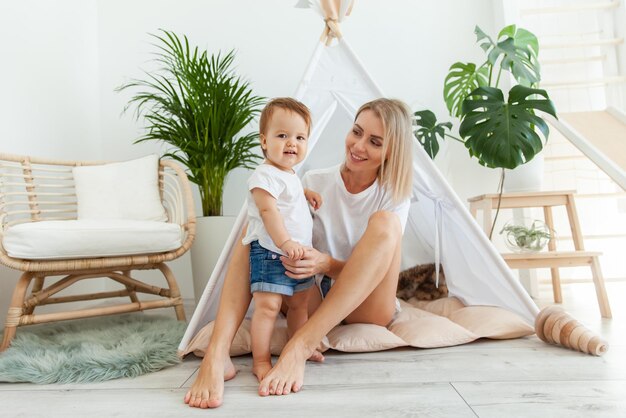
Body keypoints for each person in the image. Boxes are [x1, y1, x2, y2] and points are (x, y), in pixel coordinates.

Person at [184, 98, 414, 408]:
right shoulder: (314, 181)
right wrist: (305, 260)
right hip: (313, 295)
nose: (358, 146)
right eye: (356, 132)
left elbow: (373, 270)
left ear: (391, 151)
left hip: (369, 305)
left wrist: (327, 263)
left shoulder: (395, 195)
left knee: (386, 224)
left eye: (374, 142)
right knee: (256, 226)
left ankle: (299, 347)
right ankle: (216, 353)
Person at [241, 97, 322, 381]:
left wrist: (304, 194)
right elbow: (268, 210)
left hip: (297, 254)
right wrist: (285, 243)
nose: (292, 143)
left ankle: (298, 347)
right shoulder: (263, 175)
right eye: (282, 135)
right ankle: (260, 360)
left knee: (300, 305)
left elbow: (289, 198)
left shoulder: (290, 175)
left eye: (300, 137)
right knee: (268, 307)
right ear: (264, 141)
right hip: (271, 253)